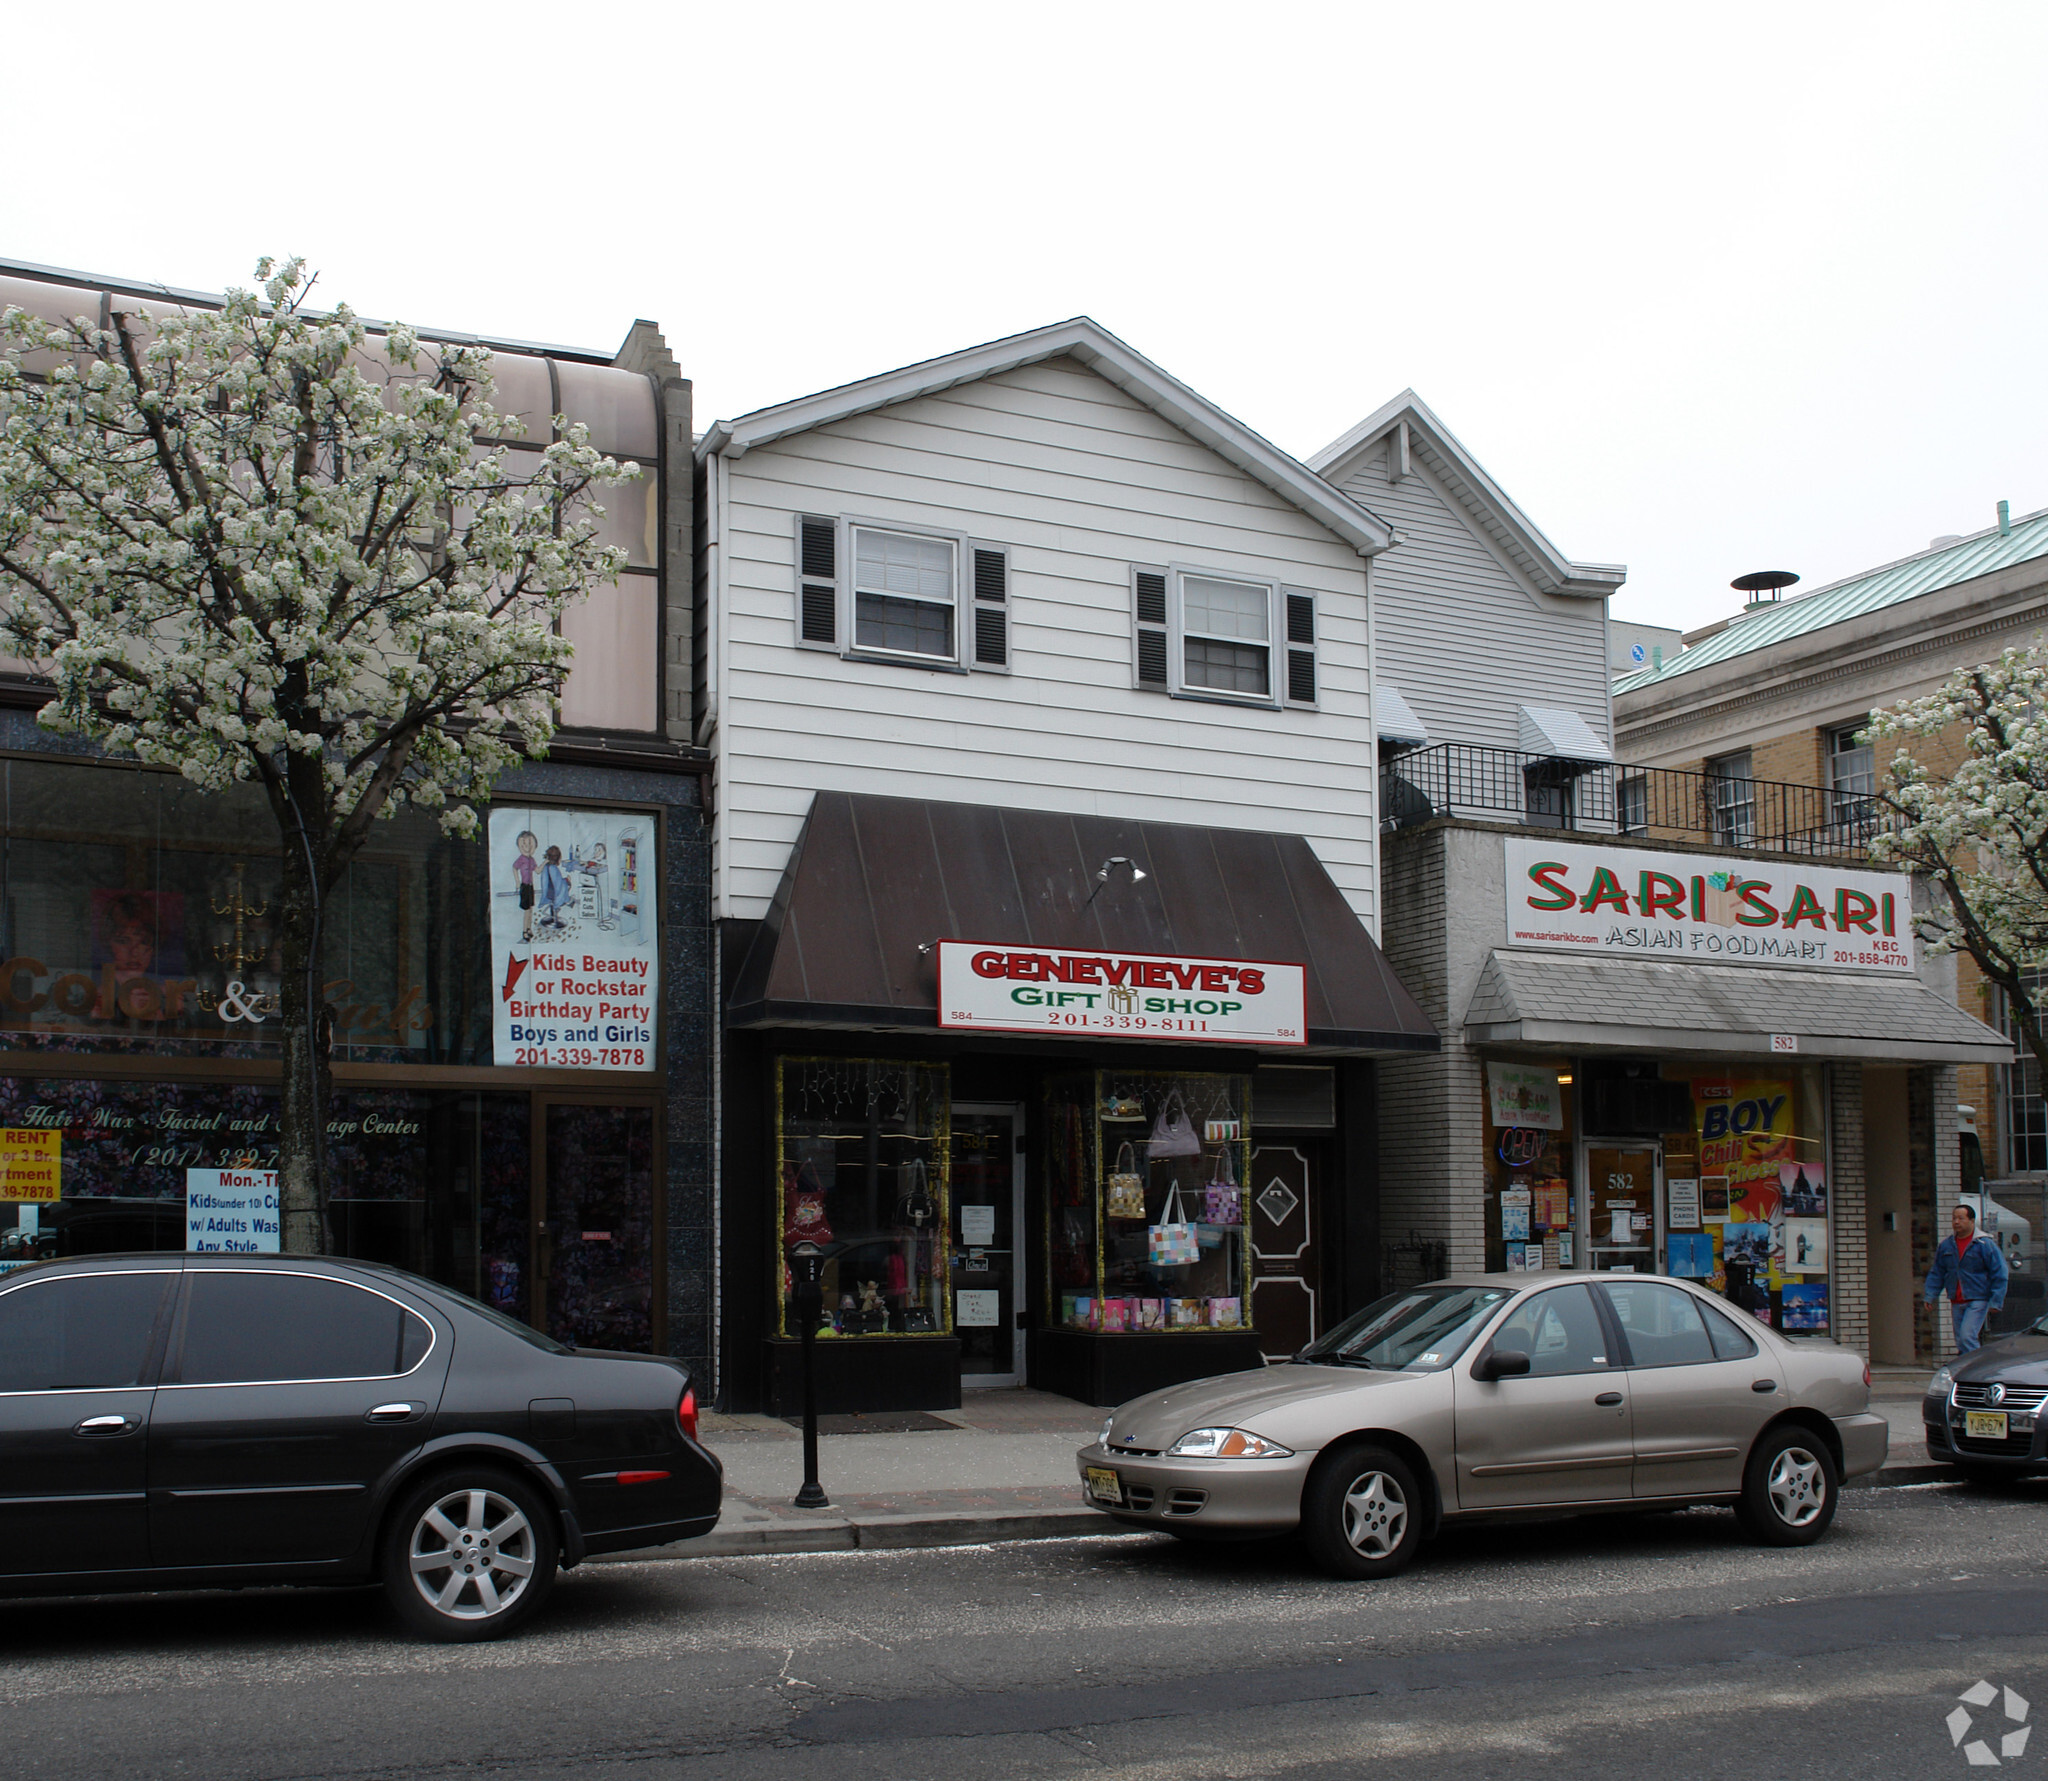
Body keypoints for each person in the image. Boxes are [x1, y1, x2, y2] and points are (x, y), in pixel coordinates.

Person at [1924, 1201, 2008, 1355]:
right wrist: (1930, 1295)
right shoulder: (1947, 1246)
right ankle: (1965, 1372)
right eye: (1954, 1218)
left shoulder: (1984, 1244)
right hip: (1957, 1300)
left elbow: (2000, 1272)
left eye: (1961, 1218)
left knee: (1967, 1337)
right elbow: (1938, 1272)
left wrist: (1996, 1300)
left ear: (1971, 1221)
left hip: (1978, 1299)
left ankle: (1977, 1370)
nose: (1956, 1222)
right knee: (1960, 1341)